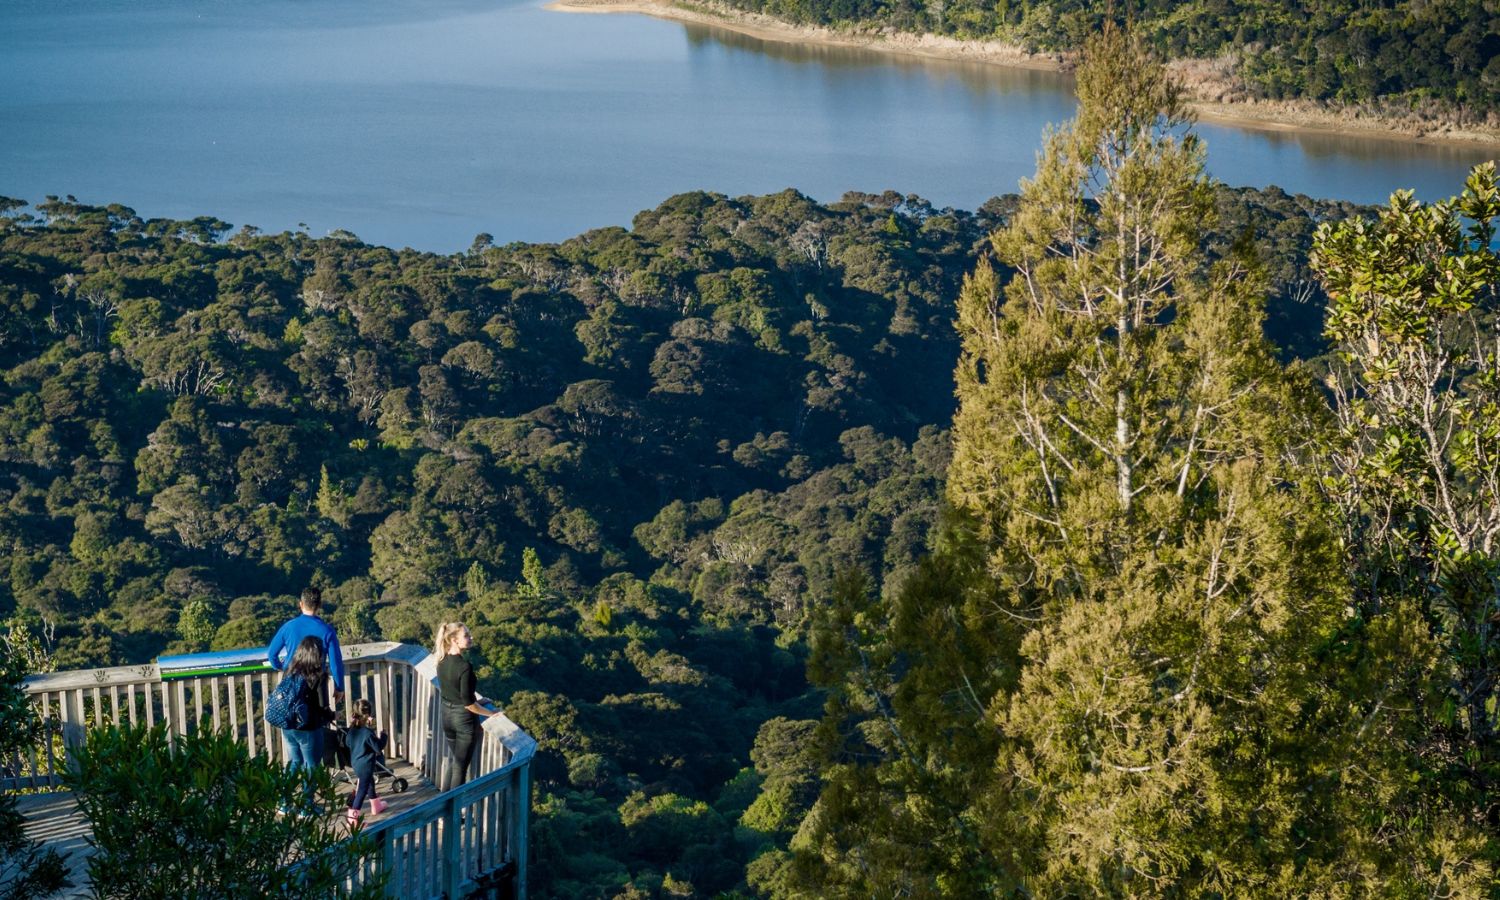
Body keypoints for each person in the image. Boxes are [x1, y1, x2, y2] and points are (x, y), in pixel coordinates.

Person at [434, 622, 498, 792]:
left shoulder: (441, 660)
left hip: (446, 715)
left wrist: (479, 702)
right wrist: (490, 713)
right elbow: (469, 704)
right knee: (460, 768)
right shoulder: (464, 667)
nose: (471, 638)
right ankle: (451, 812)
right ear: (454, 640)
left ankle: (443, 805)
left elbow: (456, 693)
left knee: (456, 761)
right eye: (467, 636)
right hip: (463, 720)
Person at [268, 586, 345, 707]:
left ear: (301, 604)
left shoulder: (288, 627)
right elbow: (336, 662)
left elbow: (272, 655)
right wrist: (339, 687)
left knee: (291, 717)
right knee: (317, 720)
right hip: (317, 683)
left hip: (291, 679)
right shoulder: (327, 630)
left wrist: (283, 667)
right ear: (319, 605)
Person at [279, 636, 334, 803]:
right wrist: (332, 716)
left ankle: (284, 801)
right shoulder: (319, 676)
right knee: (311, 765)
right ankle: (306, 804)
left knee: (294, 762)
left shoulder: (289, 671)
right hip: (308, 728)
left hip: (288, 725)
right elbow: (322, 706)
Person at [344, 699, 389, 827]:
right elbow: (377, 747)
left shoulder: (352, 730)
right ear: (369, 714)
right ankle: (353, 818)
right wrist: (383, 735)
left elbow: (348, 743)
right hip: (366, 766)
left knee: (369, 784)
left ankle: (376, 805)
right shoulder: (368, 733)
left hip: (356, 763)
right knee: (362, 791)